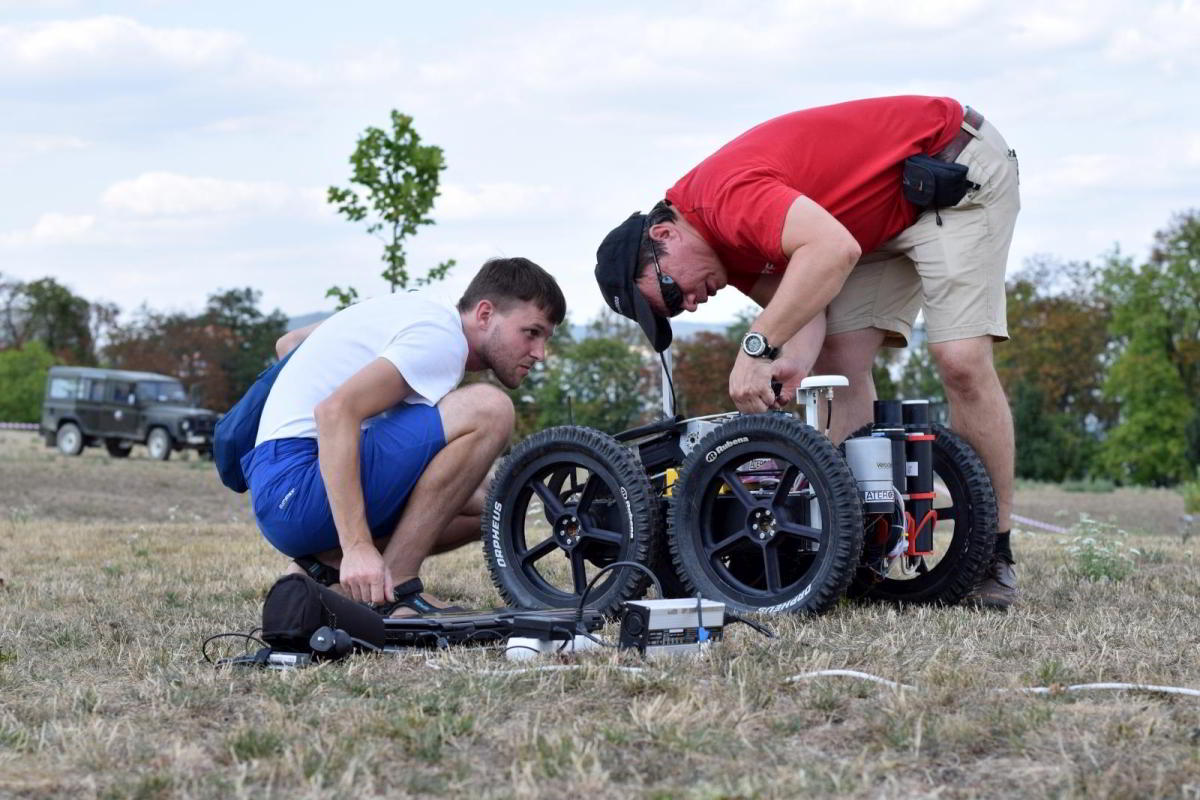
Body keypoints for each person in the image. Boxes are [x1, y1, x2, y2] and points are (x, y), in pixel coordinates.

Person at [594, 96, 1020, 609]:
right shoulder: (724, 254)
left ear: (664, 235)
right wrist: (790, 360)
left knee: (961, 360)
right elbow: (807, 310)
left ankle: (993, 556)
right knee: (838, 364)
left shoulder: (724, 200)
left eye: (669, 292)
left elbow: (832, 252)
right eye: (676, 310)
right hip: (881, 216)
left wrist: (756, 347)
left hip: (951, 168)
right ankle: (859, 549)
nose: (687, 303)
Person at [244, 257, 565, 615]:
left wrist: (523, 497)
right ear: (485, 314)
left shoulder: (417, 310)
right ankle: (396, 585)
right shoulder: (442, 340)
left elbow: (289, 343)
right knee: (490, 408)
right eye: (531, 333)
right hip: (295, 483)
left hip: (281, 491)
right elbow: (334, 413)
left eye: (545, 339)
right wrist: (358, 546)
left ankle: (321, 569)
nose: (539, 353)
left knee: (491, 510)